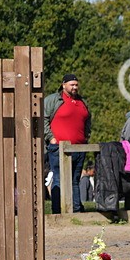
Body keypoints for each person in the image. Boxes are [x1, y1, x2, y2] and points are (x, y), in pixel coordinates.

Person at [44, 73, 92, 214]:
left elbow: (88, 120)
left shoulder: (83, 102)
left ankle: (76, 211)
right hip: (58, 147)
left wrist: (86, 137)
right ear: (63, 84)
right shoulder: (54, 100)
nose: (75, 87)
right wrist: (51, 138)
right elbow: (43, 119)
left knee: (75, 180)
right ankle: (57, 211)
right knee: (59, 179)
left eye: (76, 84)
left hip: (79, 147)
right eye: (72, 84)